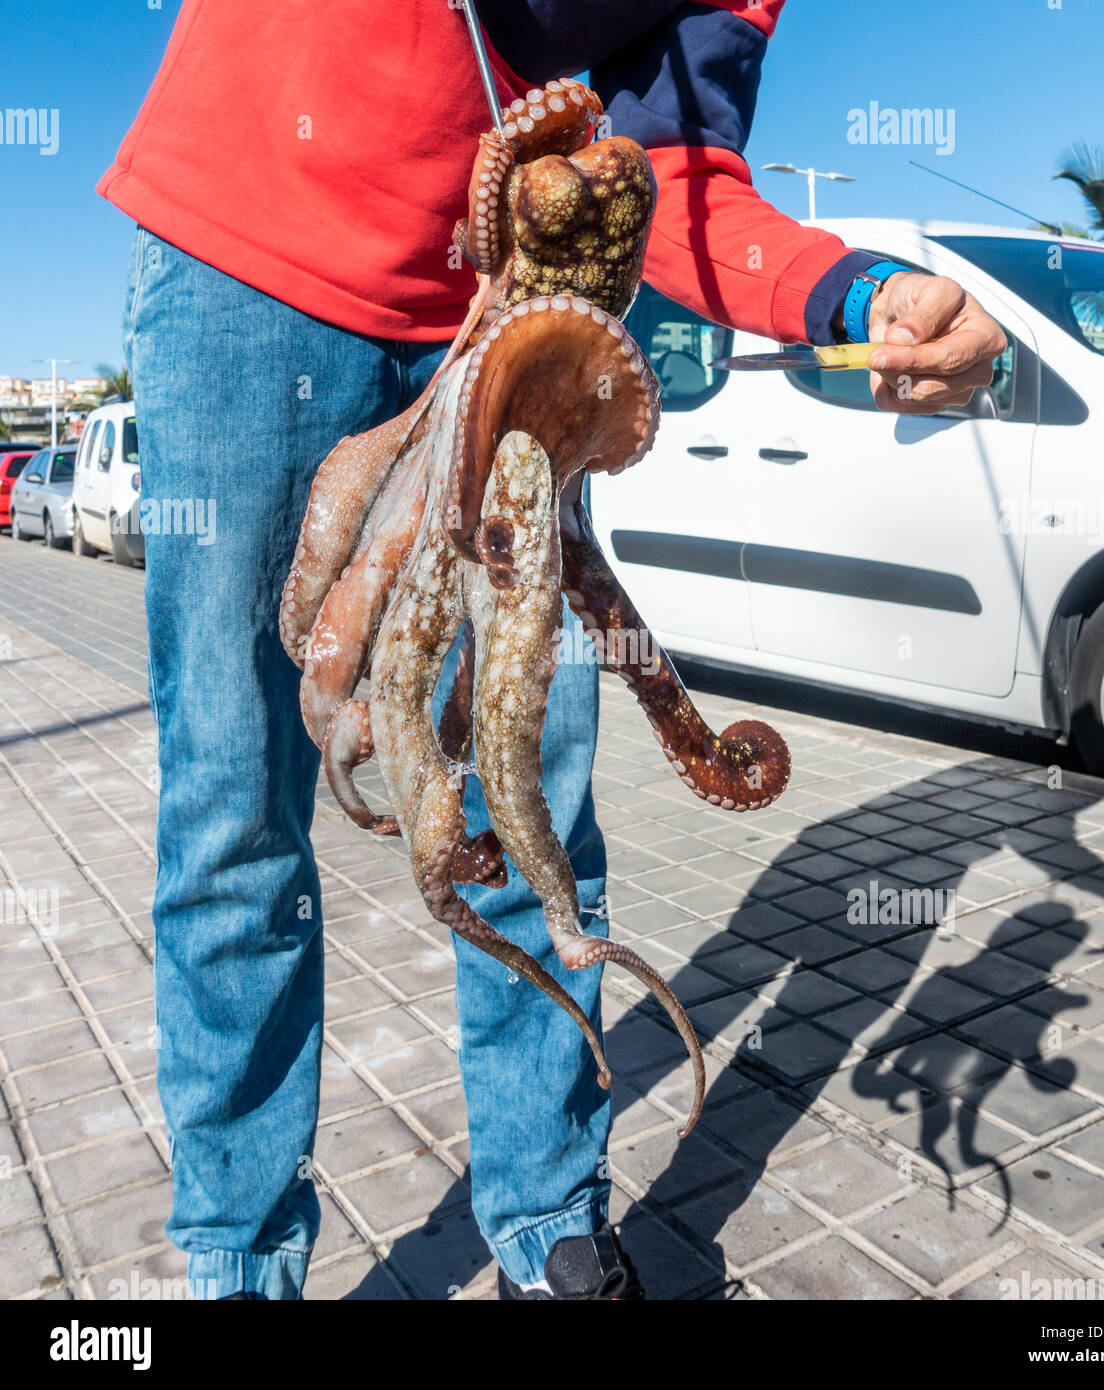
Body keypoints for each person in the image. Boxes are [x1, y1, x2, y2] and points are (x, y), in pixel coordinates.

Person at [99, 0, 1005, 1300]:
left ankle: (545, 1215)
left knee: (536, 791)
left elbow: (679, 176)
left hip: (502, 321)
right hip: (245, 270)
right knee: (234, 808)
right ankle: (237, 1260)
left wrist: (855, 290)